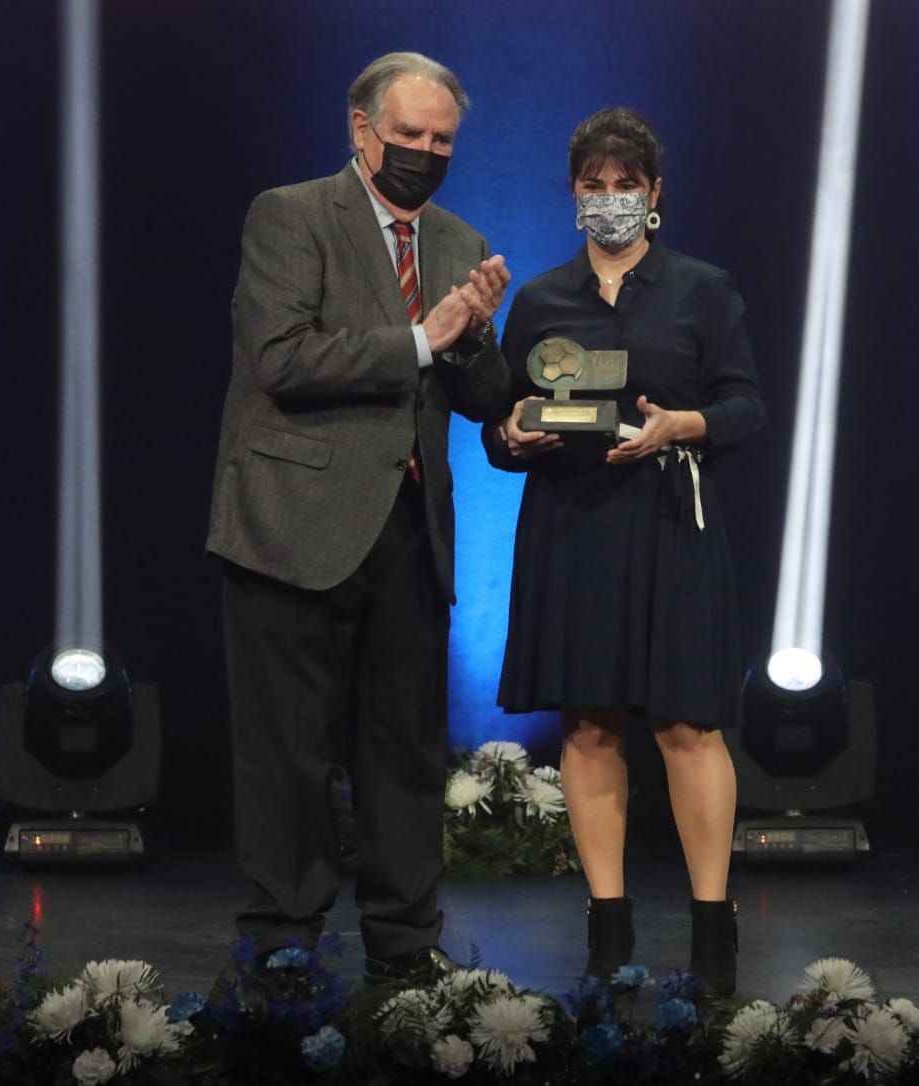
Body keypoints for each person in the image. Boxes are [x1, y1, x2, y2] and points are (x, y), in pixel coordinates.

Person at [207, 52, 512, 986]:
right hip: (292, 524)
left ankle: (406, 949)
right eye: (410, 134)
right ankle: (284, 951)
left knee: (406, 753)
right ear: (361, 129)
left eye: (442, 140)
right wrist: (428, 336)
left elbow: (478, 393)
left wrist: (483, 350)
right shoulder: (291, 215)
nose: (425, 152)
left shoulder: (458, 240)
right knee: (286, 757)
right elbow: (283, 359)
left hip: (410, 530)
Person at [482, 107, 764, 994]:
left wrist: (686, 424)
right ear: (573, 197)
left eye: (625, 187)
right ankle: (608, 933)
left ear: (654, 195)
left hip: (673, 521)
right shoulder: (539, 301)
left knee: (688, 723)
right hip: (574, 523)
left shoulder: (702, 288)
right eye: (593, 188)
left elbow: (746, 406)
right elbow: (502, 423)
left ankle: (714, 936)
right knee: (590, 722)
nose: (609, 201)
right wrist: (510, 435)